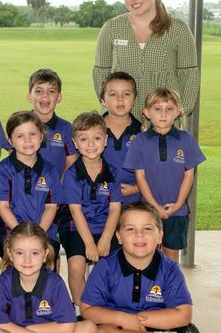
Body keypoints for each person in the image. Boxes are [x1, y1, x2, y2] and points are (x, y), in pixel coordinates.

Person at [81, 202, 216, 333]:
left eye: (147, 228)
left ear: (160, 235)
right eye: (130, 229)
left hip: (155, 329)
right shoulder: (106, 266)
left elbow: (184, 315)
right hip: (118, 329)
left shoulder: (170, 269)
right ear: (119, 237)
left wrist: (139, 321)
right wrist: (124, 319)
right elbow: (88, 310)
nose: (139, 234)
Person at [0, 222, 100, 333]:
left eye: (34, 253)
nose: (27, 259)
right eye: (19, 253)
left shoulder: (54, 282)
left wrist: (33, 331)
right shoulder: (4, 282)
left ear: (45, 254)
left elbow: (67, 326)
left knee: (89, 328)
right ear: (10, 254)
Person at [92, 0, 199, 121]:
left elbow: (189, 79)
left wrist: (172, 116)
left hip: (164, 126)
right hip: (121, 125)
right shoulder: (111, 28)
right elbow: (101, 77)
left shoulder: (178, 29)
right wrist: (115, 111)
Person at [124, 88, 205, 263]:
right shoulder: (140, 141)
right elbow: (140, 178)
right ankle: (149, 290)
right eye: (157, 109)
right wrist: (155, 207)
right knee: (146, 256)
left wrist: (177, 204)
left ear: (177, 112)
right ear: (146, 112)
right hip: (148, 211)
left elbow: (189, 176)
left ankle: (170, 290)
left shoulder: (186, 140)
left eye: (169, 109)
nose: (163, 114)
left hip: (177, 211)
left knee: (171, 258)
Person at [62, 112, 122, 309]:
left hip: (106, 227)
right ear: (75, 143)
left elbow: (115, 209)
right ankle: (82, 309)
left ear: (105, 141)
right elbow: (75, 211)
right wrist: (89, 243)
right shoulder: (72, 174)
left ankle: (109, 307)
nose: (90, 144)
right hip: (77, 228)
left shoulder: (112, 171)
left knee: (115, 266)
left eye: (97, 138)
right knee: (76, 265)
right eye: (83, 139)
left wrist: (105, 239)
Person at [0, 111, 62, 258]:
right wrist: (21, 235)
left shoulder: (49, 170)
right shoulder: (2, 170)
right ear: (10, 141)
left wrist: (38, 234)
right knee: (18, 262)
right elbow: (3, 207)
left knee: (45, 264)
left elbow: (51, 207)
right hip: (11, 232)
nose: (27, 140)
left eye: (32, 134)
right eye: (20, 136)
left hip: (44, 232)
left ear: (41, 136)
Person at [100, 72, 142, 205]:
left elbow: (155, 171)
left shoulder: (143, 133)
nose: (120, 99)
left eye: (126, 94)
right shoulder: (91, 131)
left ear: (134, 100)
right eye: (113, 94)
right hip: (99, 206)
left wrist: (136, 188)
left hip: (134, 204)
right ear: (103, 101)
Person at [27, 69, 78, 174]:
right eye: (38, 91)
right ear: (29, 97)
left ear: (59, 97)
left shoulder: (66, 128)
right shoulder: (20, 125)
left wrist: (60, 188)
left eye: (51, 91)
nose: (45, 96)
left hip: (57, 189)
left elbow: (70, 164)